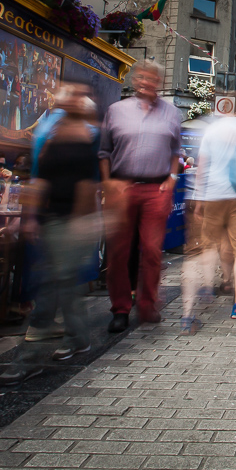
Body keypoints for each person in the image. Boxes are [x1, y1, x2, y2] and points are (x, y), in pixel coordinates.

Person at [0, 94, 100, 384]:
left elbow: (88, 186)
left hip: (72, 221)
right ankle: (78, 337)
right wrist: (30, 217)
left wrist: (81, 223)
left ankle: (28, 359)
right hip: (53, 219)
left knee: (51, 284)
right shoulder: (53, 139)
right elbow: (39, 179)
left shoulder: (87, 140)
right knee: (64, 284)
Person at [98, 61, 182, 333]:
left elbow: (175, 151)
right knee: (118, 253)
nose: (146, 82)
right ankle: (120, 308)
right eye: (142, 77)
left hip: (156, 189)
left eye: (152, 78)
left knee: (153, 251)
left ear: (159, 80)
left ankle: (147, 304)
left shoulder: (172, 113)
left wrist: (171, 179)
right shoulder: (116, 111)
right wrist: (109, 183)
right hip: (122, 187)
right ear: (134, 80)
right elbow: (104, 152)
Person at [187, 97, 236, 326]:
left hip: (212, 194)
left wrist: (199, 199)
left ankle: (214, 283)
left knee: (213, 243)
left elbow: (202, 166)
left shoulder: (211, 130)